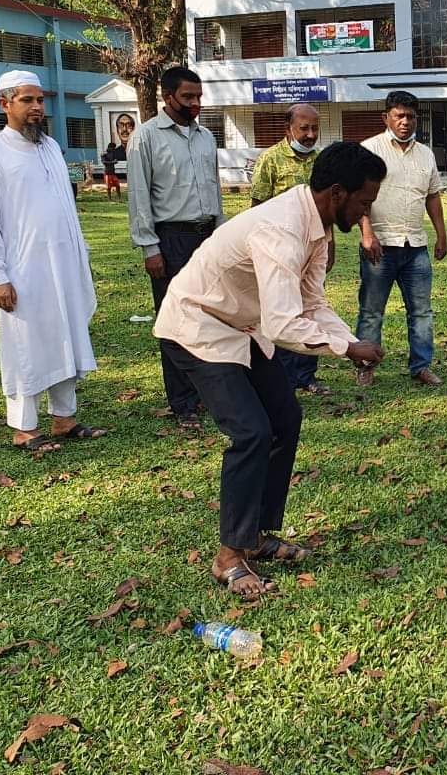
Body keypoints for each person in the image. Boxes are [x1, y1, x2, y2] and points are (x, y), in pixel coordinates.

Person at [153, 143, 386, 597]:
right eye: (364, 202)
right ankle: (229, 556)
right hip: (197, 324)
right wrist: (345, 348)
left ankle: (256, 536)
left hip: (241, 325)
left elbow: (311, 302)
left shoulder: (316, 226)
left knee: (285, 418)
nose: (366, 213)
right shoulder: (282, 228)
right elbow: (282, 323)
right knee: (251, 432)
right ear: (337, 193)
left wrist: (349, 342)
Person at [0, 70, 107, 453]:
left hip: (63, 263)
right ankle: (24, 427)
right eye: (27, 100)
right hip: (22, 269)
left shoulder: (50, 147)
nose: (37, 107)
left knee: (65, 336)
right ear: (4, 104)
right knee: (25, 346)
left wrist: (80, 258)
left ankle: (65, 419)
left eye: (40, 100)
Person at [127, 66, 226, 429]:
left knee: (210, 317)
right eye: (188, 97)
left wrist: (221, 233)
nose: (195, 103)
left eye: (198, 96)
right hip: (171, 239)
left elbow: (214, 187)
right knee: (175, 320)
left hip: (207, 237)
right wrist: (150, 248)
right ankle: (182, 402)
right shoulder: (146, 137)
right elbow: (139, 196)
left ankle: (207, 393)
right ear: (168, 97)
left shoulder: (205, 137)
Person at [355, 91, 447, 388]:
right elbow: (358, 198)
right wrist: (367, 233)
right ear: (386, 117)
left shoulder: (426, 154)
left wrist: (441, 234)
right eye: (399, 116)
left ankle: (420, 366)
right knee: (372, 310)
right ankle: (365, 366)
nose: (405, 122)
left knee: (421, 312)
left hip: (415, 246)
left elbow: (432, 196)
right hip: (379, 246)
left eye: (410, 116)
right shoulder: (369, 150)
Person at [250, 102, 332, 396]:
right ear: (288, 129)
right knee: (283, 311)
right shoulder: (269, 160)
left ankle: (307, 376)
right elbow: (257, 207)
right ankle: (282, 378)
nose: (310, 135)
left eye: (314, 129)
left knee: (310, 309)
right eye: (304, 128)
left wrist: (329, 244)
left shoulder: (322, 161)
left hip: (313, 249)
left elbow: (329, 208)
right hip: (279, 251)